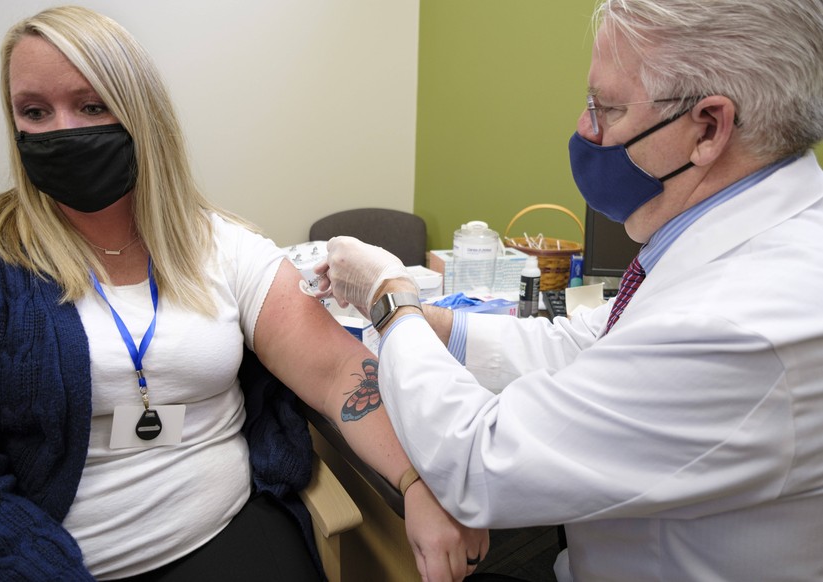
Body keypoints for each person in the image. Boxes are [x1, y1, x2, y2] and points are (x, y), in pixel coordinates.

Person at [0, 6, 489, 581]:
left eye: (90, 104)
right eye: (34, 111)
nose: (61, 129)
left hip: (233, 530)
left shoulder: (219, 245)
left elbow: (336, 371)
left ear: (140, 112)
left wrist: (419, 482)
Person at [315, 0, 823, 580]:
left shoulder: (741, 318)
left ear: (708, 127)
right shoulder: (731, 239)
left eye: (606, 107)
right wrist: (437, 324)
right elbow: (595, 345)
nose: (586, 129)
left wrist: (389, 298)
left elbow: (481, 463)